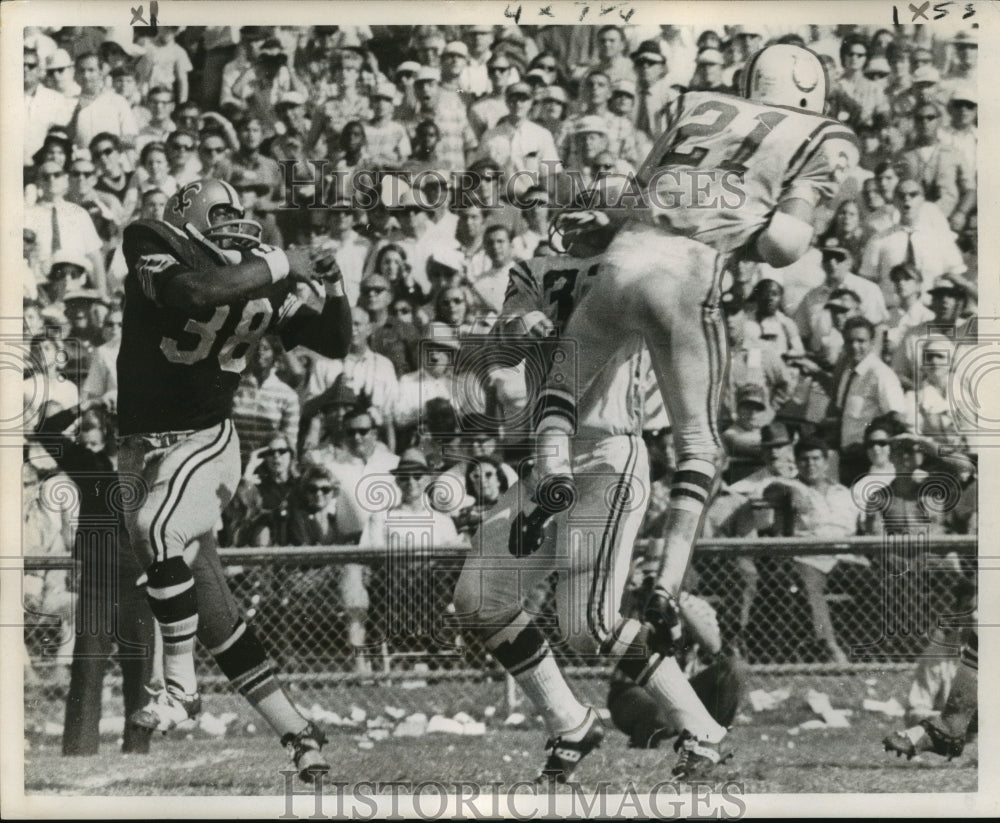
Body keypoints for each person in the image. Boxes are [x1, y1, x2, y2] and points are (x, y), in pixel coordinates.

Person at [533, 46, 859, 749]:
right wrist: (741, 213)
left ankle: (550, 471)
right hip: (686, 274)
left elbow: (629, 201)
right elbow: (785, 245)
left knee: (561, 385)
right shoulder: (824, 135)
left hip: (624, 259)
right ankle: (668, 576)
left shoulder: (693, 104)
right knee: (698, 444)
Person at [455, 227, 732, 784]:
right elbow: (501, 346)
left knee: (589, 624)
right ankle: (570, 723)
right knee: (479, 597)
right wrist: (515, 326)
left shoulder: (630, 269)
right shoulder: (532, 269)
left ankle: (702, 732)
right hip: (548, 456)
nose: (583, 215)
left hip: (609, 452)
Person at [117, 177, 352, 781]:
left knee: (157, 532)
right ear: (186, 215)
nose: (235, 223)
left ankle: (179, 688)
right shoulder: (150, 238)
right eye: (219, 212)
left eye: (239, 213)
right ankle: (299, 734)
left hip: (205, 442)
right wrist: (282, 263)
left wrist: (333, 280)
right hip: (141, 453)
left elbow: (332, 341)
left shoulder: (257, 271)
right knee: (216, 613)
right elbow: (193, 292)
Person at [32, 400, 156, 756]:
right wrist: (86, 403)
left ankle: (137, 751)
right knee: (87, 670)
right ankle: (79, 749)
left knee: (141, 673)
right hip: (99, 584)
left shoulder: (154, 471)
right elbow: (44, 431)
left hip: (139, 582)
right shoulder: (91, 467)